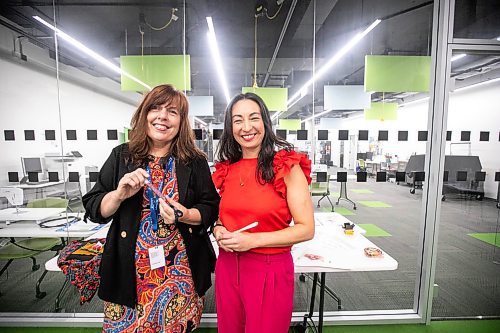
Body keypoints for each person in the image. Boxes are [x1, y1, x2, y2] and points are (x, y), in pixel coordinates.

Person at [82, 84, 220, 333]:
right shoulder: (122, 156)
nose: (162, 116)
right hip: (128, 271)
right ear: (145, 113)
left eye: (172, 111)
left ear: (181, 121)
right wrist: (119, 195)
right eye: (155, 108)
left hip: (180, 271)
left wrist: (185, 214)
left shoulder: (194, 161)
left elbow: (210, 207)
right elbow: (94, 208)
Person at [211, 92, 315, 333]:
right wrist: (218, 229)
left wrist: (252, 240)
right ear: (230, 127)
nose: (246, 127)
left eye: (253, 118)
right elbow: (223, 216)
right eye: (238, 120)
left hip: (269, 269)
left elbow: (306, 228)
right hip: (228, 266)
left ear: (265, 122)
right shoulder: (227, 169)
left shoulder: (285, 165)